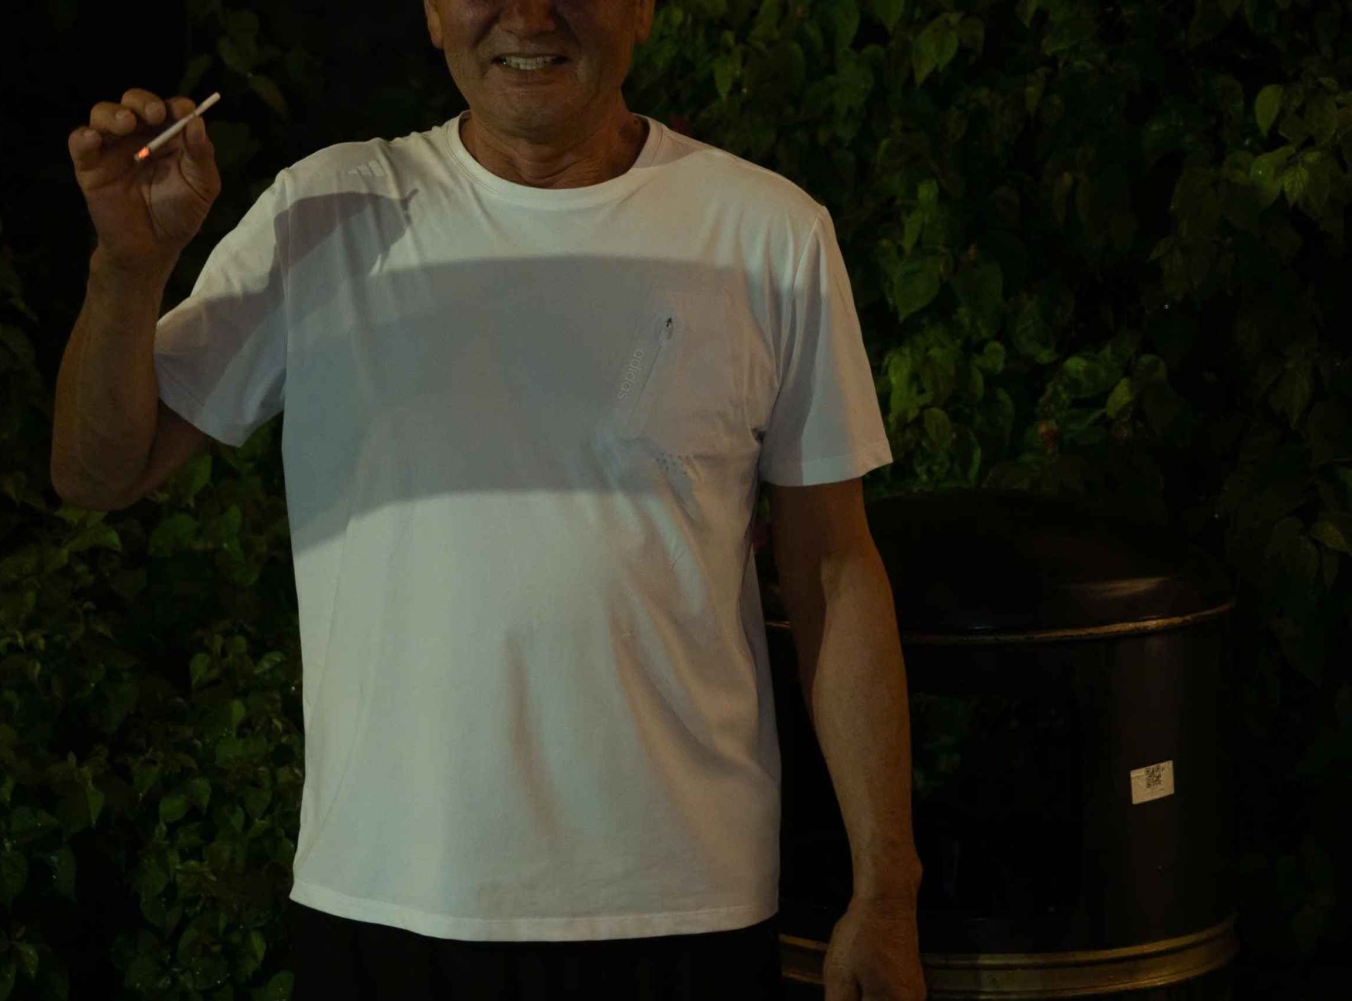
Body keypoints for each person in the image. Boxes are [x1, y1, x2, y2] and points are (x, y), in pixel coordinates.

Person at [52, 1, 925, 998]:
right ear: (431, 13)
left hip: (687, 901)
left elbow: (833, 569)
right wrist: (129, 269)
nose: (529, 14)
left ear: (642, 9)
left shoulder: (768, 230)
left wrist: (887, 888)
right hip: (389, 896)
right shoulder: (327, 211)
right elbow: (98, 473)